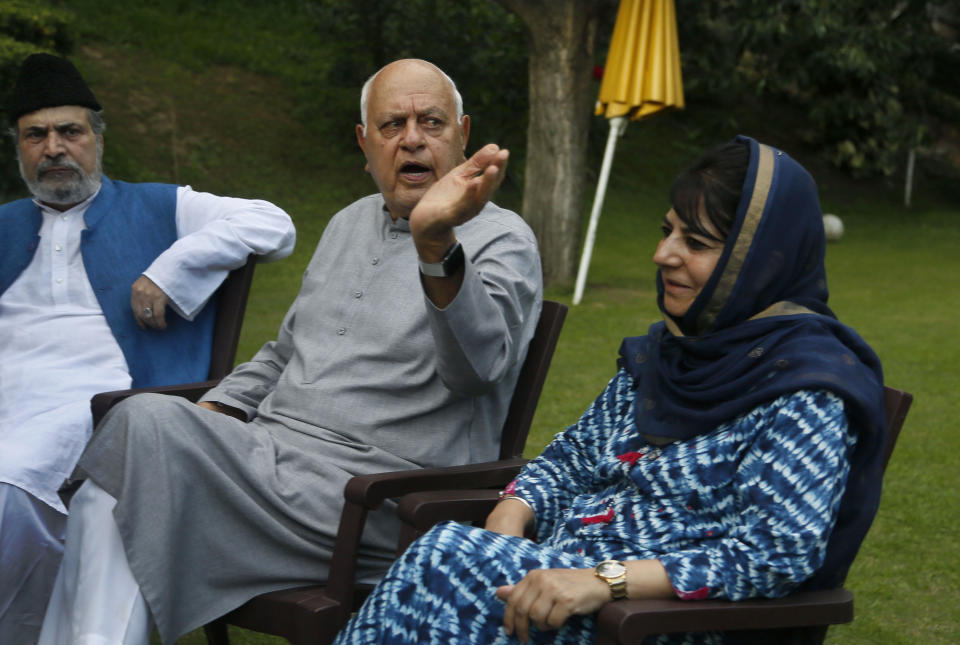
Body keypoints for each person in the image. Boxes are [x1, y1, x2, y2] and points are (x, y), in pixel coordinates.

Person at [38, 58, 542, 644]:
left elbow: (476, 371)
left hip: (373, 499)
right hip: (268, 465)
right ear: (365, 142)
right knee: (135, 459)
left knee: (137, 435)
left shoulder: (504, 238)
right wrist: (213, 417)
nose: (411, 139)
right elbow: (284, 352)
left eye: (431, 122)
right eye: (391, 125)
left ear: (462, 134)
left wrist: (437, 245)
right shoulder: (348, 223)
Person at [331, 136, 888, 645]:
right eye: (667, 230)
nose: (664, 254)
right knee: (449, 560)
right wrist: (511, 515)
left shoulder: (805, 388)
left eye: (694, 242)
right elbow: (570, 459)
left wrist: (607, 582)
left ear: (761, 263)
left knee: (443, 562)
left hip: (659, 622)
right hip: (560, 585)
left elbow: (777, 553)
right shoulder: (667, 356)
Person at [0, 53, 296, 644]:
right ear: (18, 148)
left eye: (70, 131)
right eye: (37, 135)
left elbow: (275, 224)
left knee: (9, 486)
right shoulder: (5, 224)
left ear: (98, 139)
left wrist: (172, 269)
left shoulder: (163, 206)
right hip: (10, 390)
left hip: (97, 402)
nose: (54, 147)